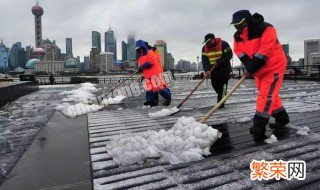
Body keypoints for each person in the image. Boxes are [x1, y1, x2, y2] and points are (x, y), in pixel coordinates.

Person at [231, 10, 290, 141]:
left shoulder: (266, 29)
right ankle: (283, 119)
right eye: (235, 25)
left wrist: (251, 67)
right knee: (269, 94)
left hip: (274, 66)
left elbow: (264, 52)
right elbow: (239, 52)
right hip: (259, 70)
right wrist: (249, 66)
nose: (237, 28)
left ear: (247, 21)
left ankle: (259, 125)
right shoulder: (237, 36)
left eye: (239, 25)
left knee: (266, 95)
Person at [136, 40, 171, 107]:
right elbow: (140, 65)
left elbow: (152, 61)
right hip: (147, 75)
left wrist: (144, 66)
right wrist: (139, 68)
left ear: (142, 47)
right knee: (149, 88)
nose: (139, 50)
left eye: (139, 48)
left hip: (155, 74)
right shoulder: (140, 57)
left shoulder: (150, 52)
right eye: (138, 49)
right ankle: (149, 100)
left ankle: (168, 96)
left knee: (159, 87)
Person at [201, 33, 233, 108]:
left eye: (209, 41)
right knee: (214, 85)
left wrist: (219, 62)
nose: (208, 43)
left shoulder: (224, 44)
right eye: (206, 42)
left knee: (223, 87)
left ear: (214, 39)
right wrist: (207, 70)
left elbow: (229, 55)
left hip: (224, 70)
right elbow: (204, 60)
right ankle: (223, 95)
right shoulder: (204, 48)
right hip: (213, 71)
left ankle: (220, 103)